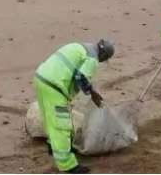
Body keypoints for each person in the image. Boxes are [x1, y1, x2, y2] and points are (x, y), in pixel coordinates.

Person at [33, 40, 115, 173]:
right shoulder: (92, 58)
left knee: (50, 119)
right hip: (55, 87)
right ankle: (68, 165)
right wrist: (92, 93)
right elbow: (80, 77)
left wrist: (91, 89)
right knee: (62, 125)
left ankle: (53, 147)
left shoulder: (79, 47)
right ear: (103, 54)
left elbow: (72, 69)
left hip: (41, 78)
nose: (101, 61)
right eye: (105, 59)